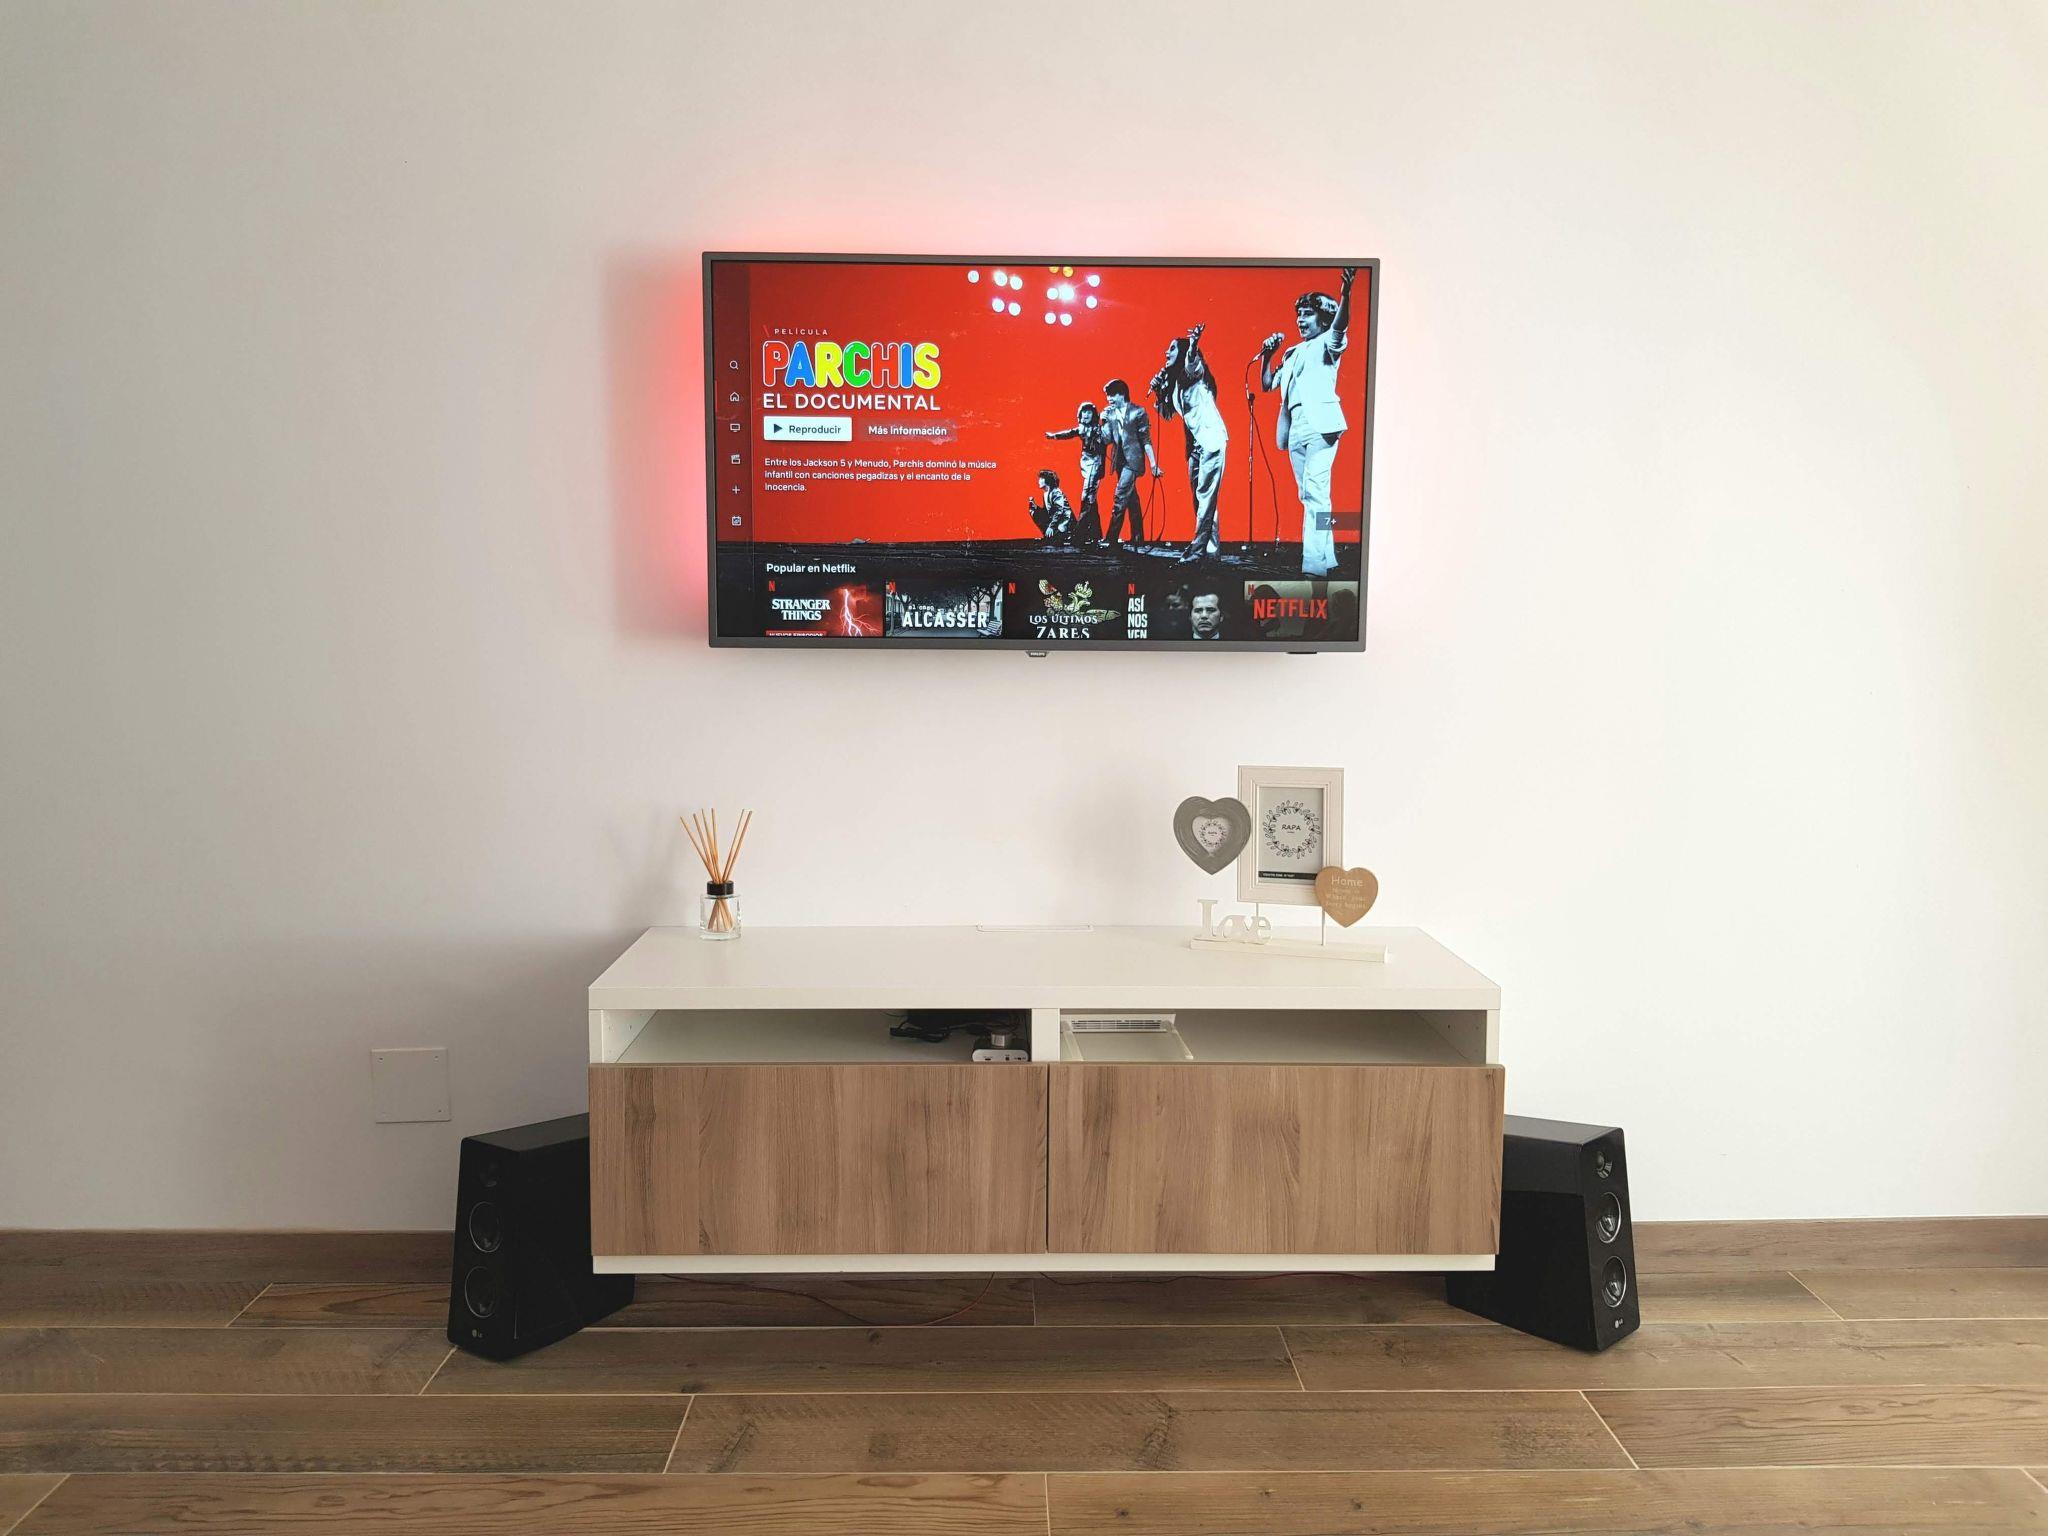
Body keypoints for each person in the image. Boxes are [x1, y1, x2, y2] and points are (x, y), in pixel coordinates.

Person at [1260, 266, 1357, 577]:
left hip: (1321, 426)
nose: (1301, 320)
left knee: (1315, 491)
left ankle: (1313, 566)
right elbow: (1267, 384)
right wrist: (1268, 355)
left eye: (1308, 314)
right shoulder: (1292, 352)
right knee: (1310, 494)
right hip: (1296, 427)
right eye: (1299, 315)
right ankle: (1327, 557)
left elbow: (1341, 325)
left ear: (1323, 318)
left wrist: (1345, 294)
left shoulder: (1329, 341)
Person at [1151, 325, 1228, 562]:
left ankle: (1197, 551)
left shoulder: (1194, 372)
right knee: (1201, 499)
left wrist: (1193, 345)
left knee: (1205, 496)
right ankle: (1211, 551)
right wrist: (1159, 392)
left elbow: (1192, 363)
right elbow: (1166, 414)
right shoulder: (1176, 384)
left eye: (1172, 349)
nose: (1166, 352)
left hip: (1211, 439)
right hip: (1194, 447)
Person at [1099, 378, 1158, 547]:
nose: (1108, 399)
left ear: (1121, 394)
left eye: (1111, 395)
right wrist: (1103, 422)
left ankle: (1110, 538)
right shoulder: (1110, 414)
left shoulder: (1138, 412)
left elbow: (1146, 439)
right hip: (1119, 462)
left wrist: (1153, 464)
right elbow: (1106, 439)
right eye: (1107, 396)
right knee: (1131, 499)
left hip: (1133, 461)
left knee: (1120, 497)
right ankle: (1138, 538)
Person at [1043, 403, 1110, 537]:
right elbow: (1069, 433)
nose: (1086, 415)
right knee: (1091, 499)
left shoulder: (1100, 429)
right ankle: (1096, 533)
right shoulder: (1081, 429)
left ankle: (1079, 534)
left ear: (1094, 415)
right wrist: (1053, 436)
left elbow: (1107, 440)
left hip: (1096, 464)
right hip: (1086, 464)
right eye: (1084, 412)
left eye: (1089, 412)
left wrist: (1104, 423)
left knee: (1086, 496)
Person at [1028, 468, 1096, 544]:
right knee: (1034, 512)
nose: (1039, 481)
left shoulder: (1056, 492)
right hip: (1056, 521)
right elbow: (1046, 512)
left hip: (1065, 521)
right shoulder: (1045, 494)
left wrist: (1051, 526)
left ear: (1047, 480)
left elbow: (1059, 511)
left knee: (1059, 536)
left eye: (1041, 479)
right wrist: (1035, 507)